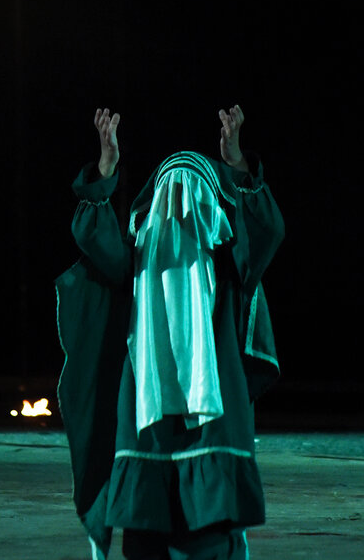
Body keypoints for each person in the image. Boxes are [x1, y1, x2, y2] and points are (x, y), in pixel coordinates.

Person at [57, 106, 285, 560]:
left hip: (213, 424)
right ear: (150, 208)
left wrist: (236, 163)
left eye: (193, 192)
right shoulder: (135, 259)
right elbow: (93, 233)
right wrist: (105, 168)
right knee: (145, 541)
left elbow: (265, 229)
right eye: (168, 192)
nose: (179, 205)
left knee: (210, 541)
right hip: (148, 423)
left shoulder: (226, 262)